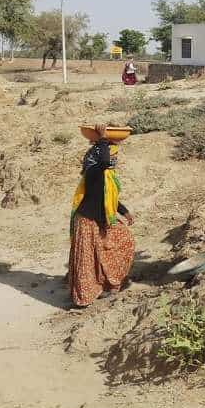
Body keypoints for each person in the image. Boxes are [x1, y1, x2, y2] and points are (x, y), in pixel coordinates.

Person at [68, 124, 136, 307]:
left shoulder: (107, 176)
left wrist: (124, 211)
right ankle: (87, 294)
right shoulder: (94, 172)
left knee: (124, 241)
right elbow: (104, 161)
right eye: (113, 156)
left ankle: (111, 284)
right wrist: (103, 138)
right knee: (89, 259)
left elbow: (107, 197)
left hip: (101, 218)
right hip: (88, 220)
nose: (114, 160)